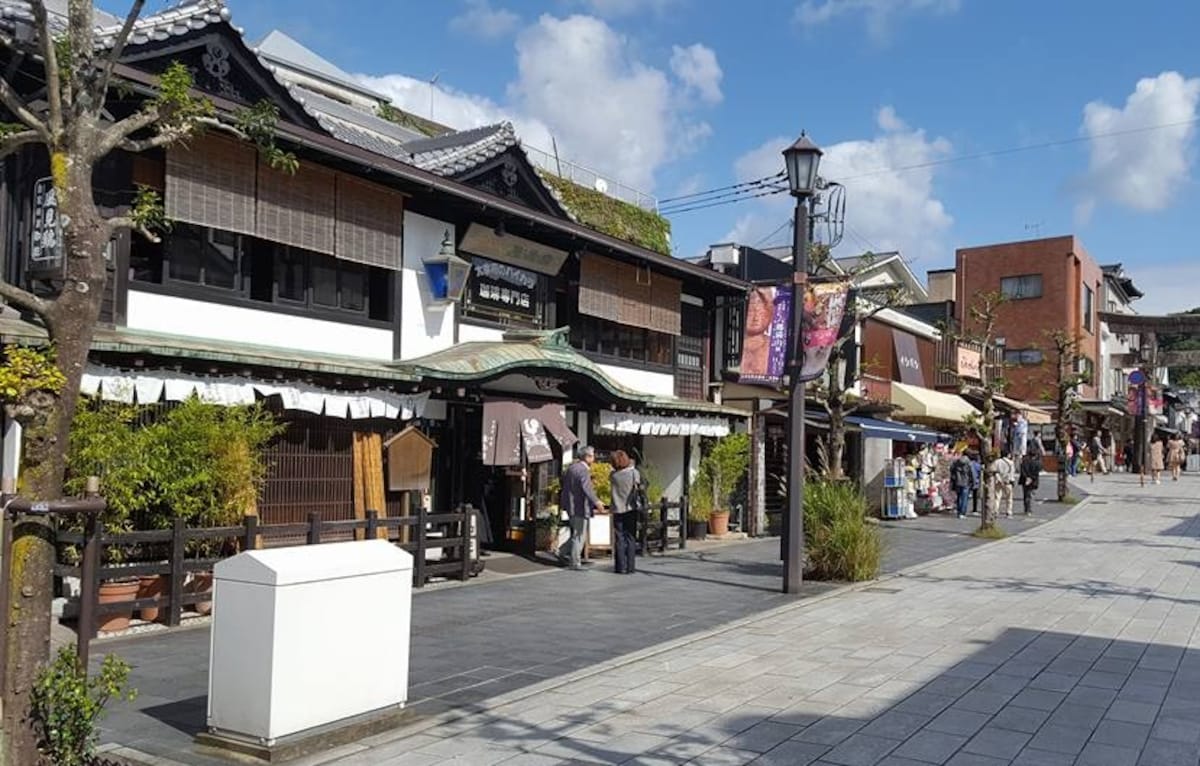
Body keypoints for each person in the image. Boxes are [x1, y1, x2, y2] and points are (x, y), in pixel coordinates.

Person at [558, 446, 605, 570]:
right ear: (587, 457)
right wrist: (597, 502)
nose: (594, 458)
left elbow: (565, 488)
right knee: (579, 535)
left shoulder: (571, 468)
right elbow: (586, 488)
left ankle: (562, 552)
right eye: (593, 455)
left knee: (576, 533)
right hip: (580, 507)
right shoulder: (583, 470)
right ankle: (575, 562)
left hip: (570, 506)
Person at [608, 450, 642, 575]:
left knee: (619, 537)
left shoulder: (613, 475)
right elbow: (639, 485)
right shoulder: (634, 473)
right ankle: (630, 567)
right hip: (631, 508)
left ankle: (620, 566)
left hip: (617, 509)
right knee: (631, 537)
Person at [993, 449, 1016, 518]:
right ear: (1008, 454)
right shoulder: (1011, 463)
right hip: (1007, 482)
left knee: (997, 497)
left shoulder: (996, 462)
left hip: (998, 481)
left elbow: (995, 471)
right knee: (1009, 498)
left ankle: (995, 511)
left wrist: (998, 479)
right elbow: (1012, 473)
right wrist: (1012, 480)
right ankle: (1008, 512)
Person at [950, 450, 973, 519]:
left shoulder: (956, 462)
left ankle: (959, 511)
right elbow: (971, 473)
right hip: (966, 482)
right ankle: (963, 513)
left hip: (957, 481)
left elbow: (951, 470)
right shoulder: (969, 463)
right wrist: (972, 481)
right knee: (964, 498)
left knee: (959, 497)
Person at [1019, 450, 1040, 516]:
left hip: (1025, 480)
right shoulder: (1037, 462)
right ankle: (1029, 509)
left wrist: (1027, 477)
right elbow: (1036, 472)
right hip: (1033, 481)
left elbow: (1022, 471)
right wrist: (1031, 478)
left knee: (1025, 495)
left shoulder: (1024, 462)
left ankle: (1026, 509)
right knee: (1031, 495)